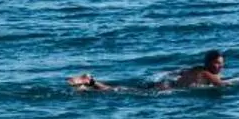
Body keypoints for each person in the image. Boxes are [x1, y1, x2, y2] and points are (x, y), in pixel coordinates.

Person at [68, 50, 228, 93]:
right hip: (165, 89)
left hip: (164, 85)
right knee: (118, 91)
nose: (219, 67)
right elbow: (221, 85)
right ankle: (90, 81)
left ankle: (88, 85)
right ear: (208, 63)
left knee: (120, 90)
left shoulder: (197, 69)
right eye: (216, 64)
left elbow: (177, 72)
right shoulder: (207, 74)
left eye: (221, 64)